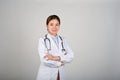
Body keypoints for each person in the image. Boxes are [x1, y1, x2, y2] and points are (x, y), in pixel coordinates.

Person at [36, 15, 74, 80]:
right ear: (47, 26)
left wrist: (55, 58)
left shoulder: (63, 40)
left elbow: (71, 56)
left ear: (59, 26)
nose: (54, 27)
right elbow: (44, 60)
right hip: (47, 74)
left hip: (61, 73)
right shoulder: (42, 40)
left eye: (57, 24)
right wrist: (59, 63)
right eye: (51, 24)